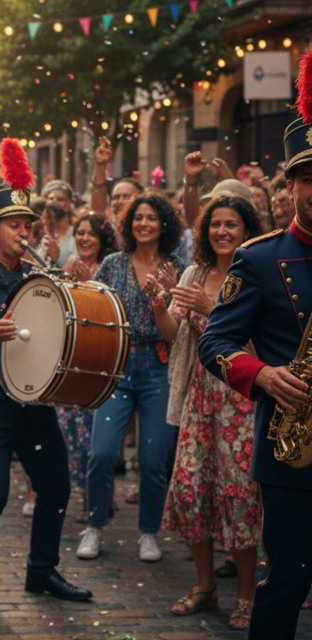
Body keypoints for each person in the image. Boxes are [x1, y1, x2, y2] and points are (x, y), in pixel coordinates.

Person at [0, 138, 92, 619]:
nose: (22, 232)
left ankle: (41, 569)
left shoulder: (36, 274)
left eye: (27, 224)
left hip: (33, 400)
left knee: (55, 487)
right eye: (13, 225)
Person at [198, 57, 312, 639]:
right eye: (309, 178)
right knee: (289, 578)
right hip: (291, 444)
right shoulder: (260, 257)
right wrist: (263, 375)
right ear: (291, 185)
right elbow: (213, 342)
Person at [155, 196, 261, 630]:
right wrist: (161, 308)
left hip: (242, 402)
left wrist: (210, 309)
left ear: (245, 230)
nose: (221, 232)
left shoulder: (256, 274)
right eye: (215, 224)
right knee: (190, 489)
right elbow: (178, 335)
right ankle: (204, 586)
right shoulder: (194, 274)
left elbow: (260, 342)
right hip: (200, 399)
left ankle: (247, 594)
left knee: (239, 499)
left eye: (231, 225)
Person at [77, 194, 186, 562]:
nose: (143, 224)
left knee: (154, 462)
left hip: (159, 367)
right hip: (118, 365)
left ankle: (149, 534)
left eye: (151, 218)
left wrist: (168, 294)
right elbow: (95, 309)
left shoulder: (176, 267)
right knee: (102, 453)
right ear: (128, 224)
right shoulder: (112, 263)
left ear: (163, 225)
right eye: (138, 217)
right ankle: (94, 525)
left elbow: (176, 335)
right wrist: (82, 285)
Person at [60, 213, 119, 521]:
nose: (84, 239)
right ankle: (85, 497)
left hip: (101, 361)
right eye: (79, 233)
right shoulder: (68, 265)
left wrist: (89, 283)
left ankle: (101, 494)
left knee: (98, 441)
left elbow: (111, 309)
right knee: (73, 434)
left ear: (101, 239)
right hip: (71, 361)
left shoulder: (110, 267)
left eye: (91, 234)